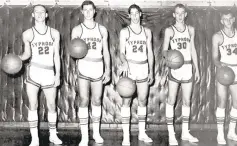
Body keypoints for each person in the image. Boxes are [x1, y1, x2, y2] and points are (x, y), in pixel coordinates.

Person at [19, 4, 62, 146]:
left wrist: (58, 75)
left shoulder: (54, 33)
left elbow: (57, 56)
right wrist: (17, 59)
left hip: (49, 72)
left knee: (51, 105)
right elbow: (27, 54)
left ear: (46, 15)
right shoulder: (27, 33)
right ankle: (35, 138)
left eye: (42, 12)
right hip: (34, 73)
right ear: (32, 15)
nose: (39, 14)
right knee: (33, 104)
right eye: (36, 12)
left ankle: (53, 135)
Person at [71, 0, 111, 145]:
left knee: (97, 100)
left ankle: (96, 133)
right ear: (82, 12)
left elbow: (106, 51)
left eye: (90, 9)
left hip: (98, 67)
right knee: (84, 100)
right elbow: (73, 51)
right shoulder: (77, 30)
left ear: (95, 11)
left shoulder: (102, 30)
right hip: (84, 66)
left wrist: (108, 70)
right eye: (85, 10)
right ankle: (84, 136)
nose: (88, 12)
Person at [162, 4, 200, 145]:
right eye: (177, 13)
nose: (179, 15)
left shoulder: (190, 30)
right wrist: (171, 59)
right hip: (175, 68)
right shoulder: (169, 30)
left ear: (185, 15)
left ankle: (185, 133)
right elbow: (164, 51)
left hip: (188, 67)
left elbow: (193, 50)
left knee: (186, 101)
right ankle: (171, 134)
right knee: (171, 100)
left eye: (182, 13)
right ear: (174, 15)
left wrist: (197, 69)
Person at [119, 4, 154, 145]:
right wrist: (124, 62)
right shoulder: (124, 32)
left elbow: (150, 53)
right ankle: (126, 136)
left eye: (136, 13)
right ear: (129, 15)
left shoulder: (147, 32)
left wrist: (151, 70)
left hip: (143, 67)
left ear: (140, 14)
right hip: (130, 68)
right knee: (126, 101)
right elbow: (121, 52)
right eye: (131, 13)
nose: (134, 16)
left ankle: (141, 133)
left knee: (142, 100)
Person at [212, 10, 237, 145]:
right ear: (221, 21)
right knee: (222, 102)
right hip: (223, 71)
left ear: (233, 19)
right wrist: (219, 65)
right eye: (224, 19)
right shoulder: (217, 36)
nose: (227, 21)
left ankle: (231, 132)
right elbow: (214, 58)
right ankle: (220, 134)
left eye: (230, 18)